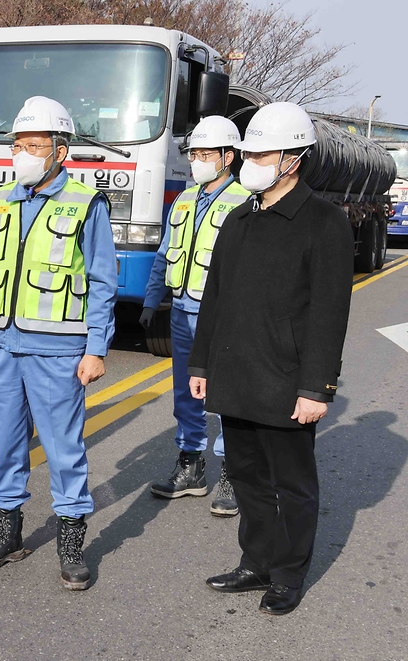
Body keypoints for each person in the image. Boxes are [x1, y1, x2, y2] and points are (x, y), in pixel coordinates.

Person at [189, 102, 353, 615]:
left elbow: (330, 313)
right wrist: (200, 365)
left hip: (287, 383)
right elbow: (214, 299)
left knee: (293, 486)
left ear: (293, 159)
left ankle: (287, 575)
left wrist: (317, 387)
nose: (249, 162)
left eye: (261, 153)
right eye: (247, 153)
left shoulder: (324, 223)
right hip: (236, 377)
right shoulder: (238, 219)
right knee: (248, 480)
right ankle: (255, 562)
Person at [0, 96, 118, 591]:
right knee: (5, 444)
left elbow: (101, 281)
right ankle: (8, 530)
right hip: (2, 346)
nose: (24, 153)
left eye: (35, 145)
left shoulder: (86, 204)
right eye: (18, 144)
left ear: (61, 150)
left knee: (62, 448)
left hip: (58, 351)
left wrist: (96, 347)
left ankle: (71, 539)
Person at [140, 116, 250, 517]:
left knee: (223, 395)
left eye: (206, 155)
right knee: (186, 394)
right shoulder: (184, 200)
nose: (197, 162)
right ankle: (191, 467)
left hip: (220, 317)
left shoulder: (245, 201)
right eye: (194, 155)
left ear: (229, 157)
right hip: (182, 313)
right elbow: (163, 254)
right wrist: (152, 301)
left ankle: (233, 473)